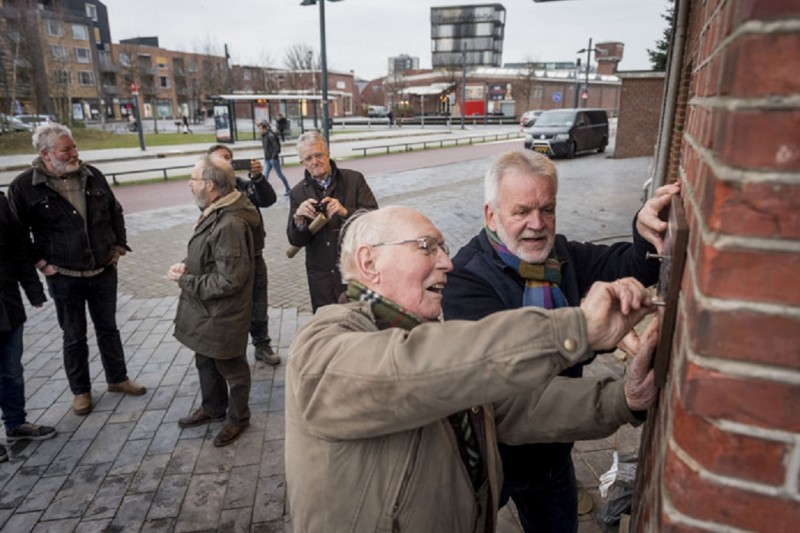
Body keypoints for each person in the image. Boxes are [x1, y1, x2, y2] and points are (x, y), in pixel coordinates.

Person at [286, 205, 660, 532]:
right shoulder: (322, 343)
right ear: (369, 262)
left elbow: (513, 405)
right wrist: (573, 329)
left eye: (444, 249)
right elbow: (410, 367)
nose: (447, 262)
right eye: (427, 247)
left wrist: (623, 398)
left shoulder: (432, 338)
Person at [441, 150, 680, 532]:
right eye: (521, 212)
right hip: (496, 460)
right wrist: (588, 331)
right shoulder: (465, 281)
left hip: (554, 455)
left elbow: (632, 263)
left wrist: (646, 228)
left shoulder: (561, 257)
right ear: (491, 215)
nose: (537, 225)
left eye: (547, 209)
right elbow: (510, 368)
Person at [8, 124, 146, 417]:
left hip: (103, 270)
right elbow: (18, 235)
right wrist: (42, 265)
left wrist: (118, 247)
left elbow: (114, 211)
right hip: (63, 277)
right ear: (45, 154)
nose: (74, 152)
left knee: (108, 328)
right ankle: (81, 391)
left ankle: (117, 379)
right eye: (66, 149)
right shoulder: (24, 187)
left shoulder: (91, 174)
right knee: (74, 335)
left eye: (74, 146)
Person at [168, 155, 260, 447]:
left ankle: (237, 418)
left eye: (193, 179)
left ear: (209, 185)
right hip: (207, 311)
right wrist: (187, 264)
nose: (189, 184)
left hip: (222, 313)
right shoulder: (217, 209)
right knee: (205, 359)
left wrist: (186, 281)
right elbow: (212, 256)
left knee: (232, 368)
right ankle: (212, 408)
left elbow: (230, 279)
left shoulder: (230, 221)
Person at [287, 131, 378, 311]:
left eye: (319, 155)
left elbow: (374, 219)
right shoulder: (298, 192)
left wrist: (345, 211)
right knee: (327, 329)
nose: (315, 162)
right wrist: (299, 220)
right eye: (308, 158)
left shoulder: (354, 179)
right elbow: (295, 241)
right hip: (321, 277)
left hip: (355, 271)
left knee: (360, 324)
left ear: (328, 153)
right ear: (302, 163)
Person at [206, 144, 280, 365]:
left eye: (228, 158)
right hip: (224, 259)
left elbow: (268, 200)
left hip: (254, 254)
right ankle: (231, 350)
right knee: (230, 305)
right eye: (220, 159)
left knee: (259, 302)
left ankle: (261, 344)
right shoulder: (207, 189)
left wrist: (257, 178)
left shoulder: (245, 186)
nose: (226, 162)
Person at [0, 191, 57, 459]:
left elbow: (19, 246)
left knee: (11, 369)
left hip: (6, 303)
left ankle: (15, 423)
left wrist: (33, 291)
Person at [257, 121, 291, 196]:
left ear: (264, 128)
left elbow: (276, 148)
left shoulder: (270, 136)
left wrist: (273, 157)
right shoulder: (264, 136)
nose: (259, 131)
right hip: (267, 159)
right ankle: (264, 191)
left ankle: (288, 189)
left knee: (280, 175)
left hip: (273, 159)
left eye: (260, 129)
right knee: (265, 175)